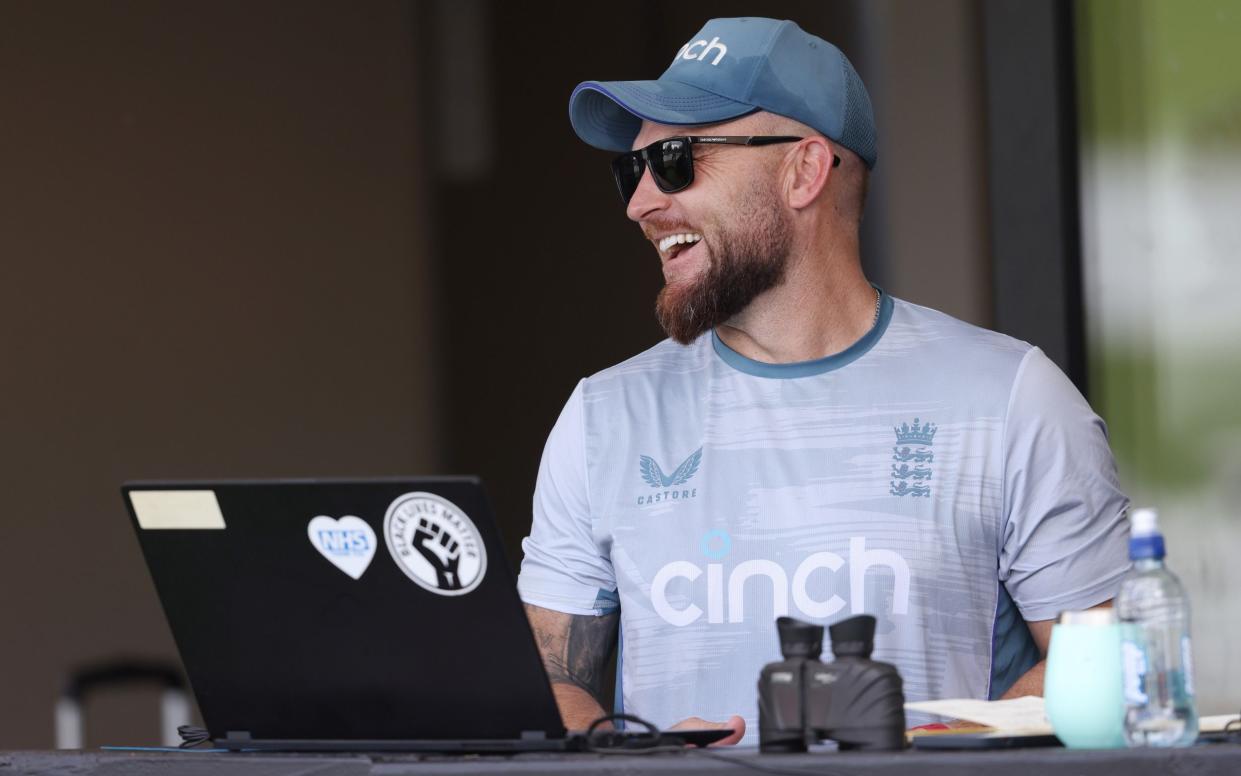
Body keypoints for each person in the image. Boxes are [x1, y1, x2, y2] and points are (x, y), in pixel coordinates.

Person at [516, 17, 1129, 745]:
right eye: (632, 169)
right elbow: (546, 684)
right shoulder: (602, 416)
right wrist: (628, 750)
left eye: (675, 159)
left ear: (803, 171)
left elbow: (1111, 669)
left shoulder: (1013, 398)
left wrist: (926, 755)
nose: (640, 202)